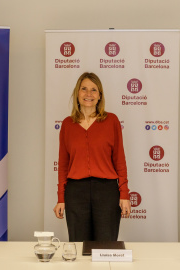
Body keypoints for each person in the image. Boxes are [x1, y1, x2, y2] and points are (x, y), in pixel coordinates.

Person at [53, 72, 131, 241]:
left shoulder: (111, 121)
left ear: (100, 95)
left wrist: (124, 194)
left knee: (105, 246)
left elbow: (120, 160)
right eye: (84, 89)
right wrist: (61, 198)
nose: (88, 94)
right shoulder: (67, 124)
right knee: (79, 247)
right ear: (77, 93)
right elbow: (63, 165)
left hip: (106, 192)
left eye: (94, 90)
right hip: (76, 192)